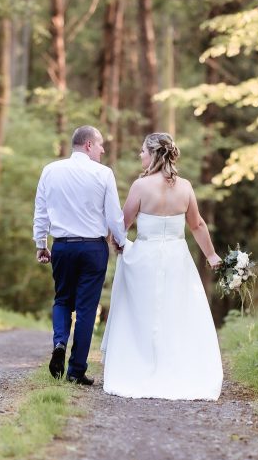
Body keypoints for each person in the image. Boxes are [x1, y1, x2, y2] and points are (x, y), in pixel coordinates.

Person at [101, 132, 223, 400]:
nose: (140, 155)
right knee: (175, 311)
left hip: (145, 256)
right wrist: (211, 255)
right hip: (177, 258)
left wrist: (116, 242)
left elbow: (124, 223)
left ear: (154, 154)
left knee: (144, 313)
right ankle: (178, 368)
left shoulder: (141, 186)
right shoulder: (186, 187)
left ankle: (141, 365)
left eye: (143, 150)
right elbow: (197, 225)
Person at [33, 125, 126, 385]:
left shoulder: (50, 171)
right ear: (88, 145)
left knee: (62, 299)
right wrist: (121, 242)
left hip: (62, 246)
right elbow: (113, 215)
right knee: (86, 309)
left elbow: (41, 211)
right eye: (100, 145)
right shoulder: (103, 173)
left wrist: (41, 243)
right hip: (93, 249)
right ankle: (76, 370)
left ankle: (60, 342)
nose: (103, 149)